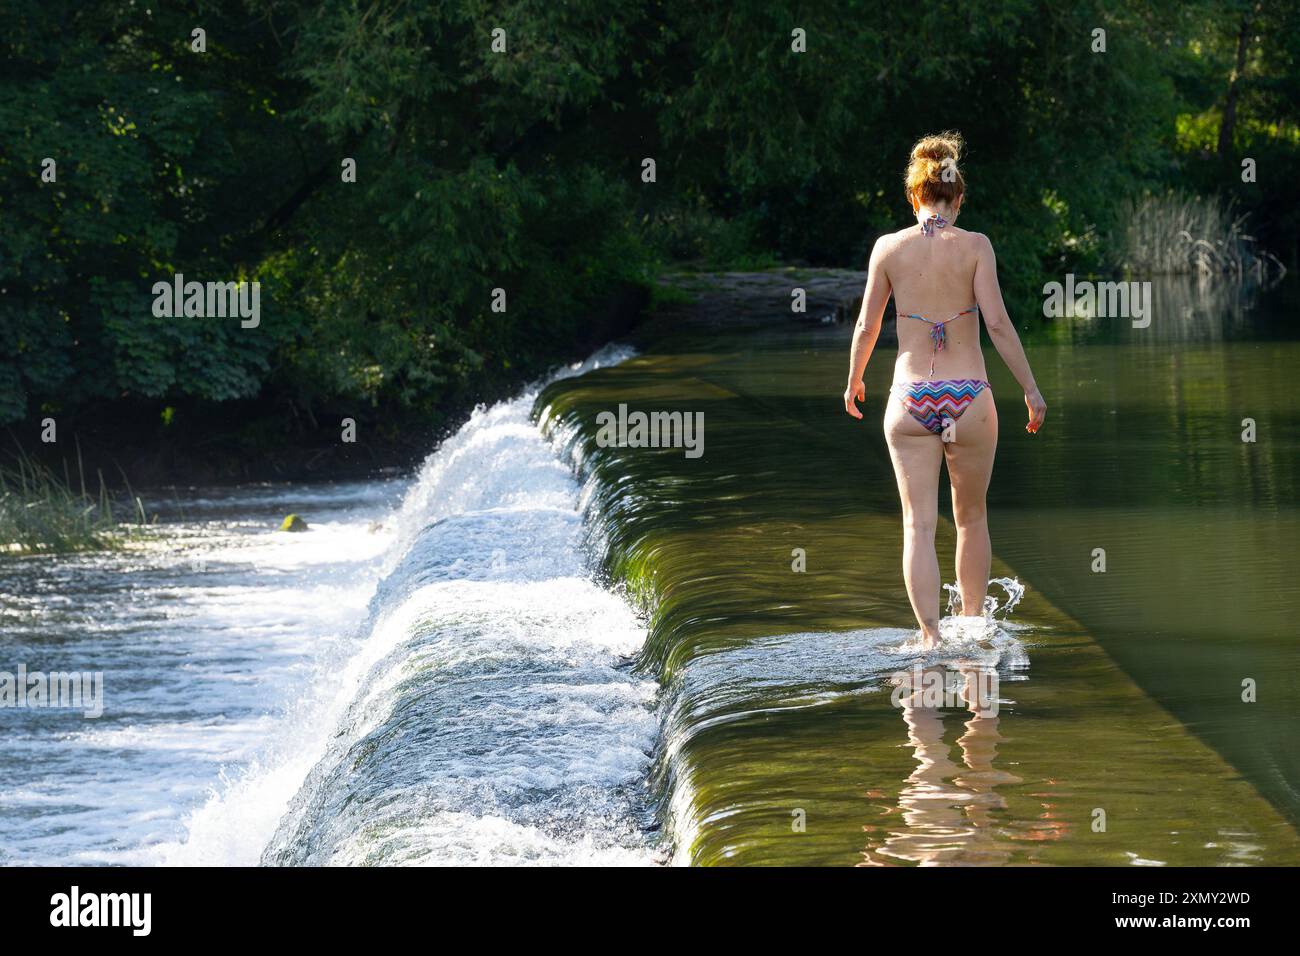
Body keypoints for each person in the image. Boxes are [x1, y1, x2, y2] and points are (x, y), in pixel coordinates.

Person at [843, 132, 1046, 648]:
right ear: (959, 197)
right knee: (971, 518)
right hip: (970, 397)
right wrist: (1031, 389)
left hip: (911, 398)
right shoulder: (976, 247)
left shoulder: (888, 249)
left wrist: (854, 381)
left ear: (914, 196)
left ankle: (931, 638)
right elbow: (997, 324)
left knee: (917, 526)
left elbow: (866, 326)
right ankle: (974, 633)